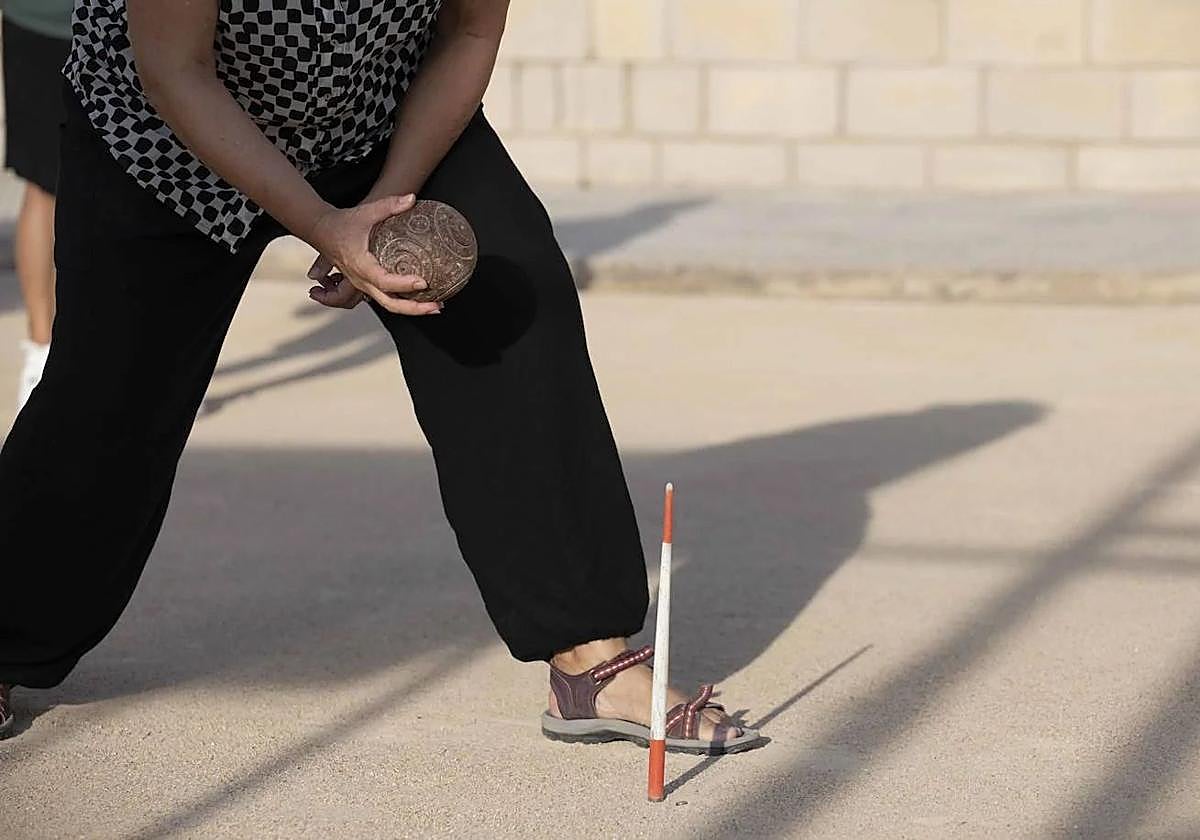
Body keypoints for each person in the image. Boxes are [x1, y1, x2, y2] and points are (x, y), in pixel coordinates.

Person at [0, 0, 761, 753]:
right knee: (107, 401)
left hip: (379, 112)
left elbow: (471, 29)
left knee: (513, 306)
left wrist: (384, 204)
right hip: (167, 138)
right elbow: (175, 69)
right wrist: (324, 226)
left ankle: (590, 660)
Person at [1, 0, 74, 409]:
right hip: (47, 19)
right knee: (45, 186)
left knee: (141, 190)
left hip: (131, 23)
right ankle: (41, 351)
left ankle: (43, 351)